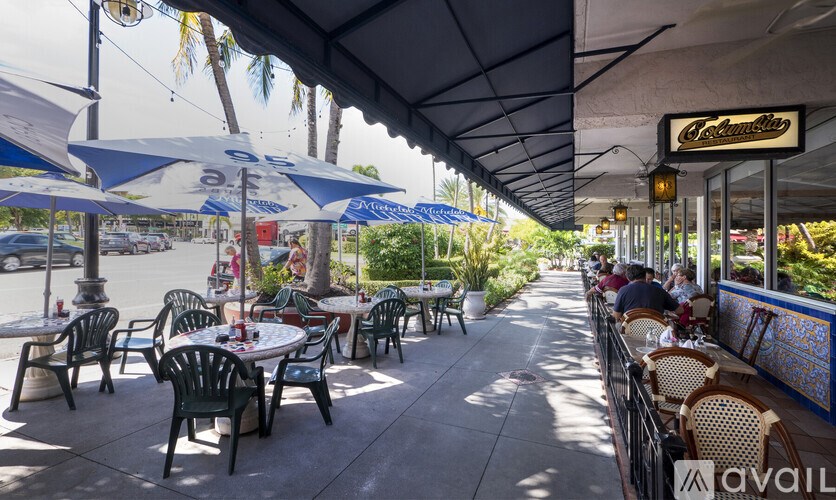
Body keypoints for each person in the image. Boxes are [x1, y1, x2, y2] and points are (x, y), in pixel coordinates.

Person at [612, 264, 682, 322]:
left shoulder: (623, 290)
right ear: (644, 276)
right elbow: (680, 310)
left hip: (629, 331)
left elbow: (616, 316)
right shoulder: (659, 290)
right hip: (656, 329)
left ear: (628, 278)